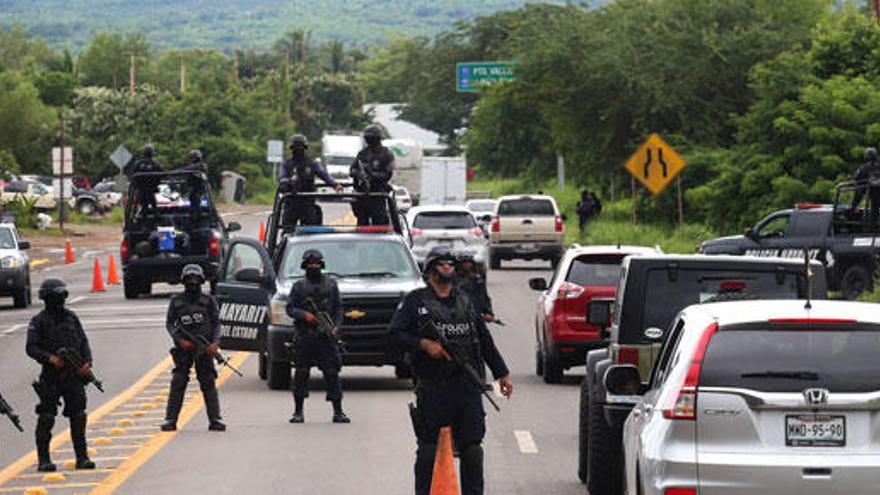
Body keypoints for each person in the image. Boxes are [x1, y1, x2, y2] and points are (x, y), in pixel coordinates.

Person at [389, 246, 513, 495]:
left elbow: (483, 339)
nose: (448, 267)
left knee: (473, 450)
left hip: (467, 385)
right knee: (427, 449)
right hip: (433, 385)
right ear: (431, 269)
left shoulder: (466, 299)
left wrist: (502, 373)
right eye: (442, 263)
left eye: (451, 264)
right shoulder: (416, 301)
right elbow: (394, 334)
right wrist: (424, 344)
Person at [26, 278, 95, 472]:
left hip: (74, 375)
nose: (60, 300)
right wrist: (50, 358)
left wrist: (87, 363)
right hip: (51, 376)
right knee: (47, 416)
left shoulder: (72, 318)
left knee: (79, 416)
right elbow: (31, 348)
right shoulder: (38, 321)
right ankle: (43, 459)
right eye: (56, 296)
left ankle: (82, 458)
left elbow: (83, 342)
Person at [286, 249, 350, 424]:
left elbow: (338, 307)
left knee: (332, 373)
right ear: (305, 266)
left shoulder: (331, 284)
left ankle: (338, 411)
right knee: (301, 373)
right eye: (310, 264)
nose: (313, 267)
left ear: (321, 265)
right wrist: (304, 316)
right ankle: (298, 412)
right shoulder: (298, 286)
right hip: (305, 336)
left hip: (326, 338)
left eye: (316, 264)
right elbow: (290, 308)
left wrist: (336, 326)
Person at [161, 264, 226, 432]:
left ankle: (215, 418)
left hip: (204, 349)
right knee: (179, 381)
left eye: (196, 279)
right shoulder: (176, 302)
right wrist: (179, 340)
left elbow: (216, 323)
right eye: (189, 279)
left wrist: (215, 343)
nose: (192, 283)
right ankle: (170, 419)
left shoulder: (208, 301)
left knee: (208, 382)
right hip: (184, 349)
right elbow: (170, 324)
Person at [278, 135, 343, 228]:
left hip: (307, 202)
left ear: (304, 148)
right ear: (292, 148)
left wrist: (335, 185)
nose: (298, 150)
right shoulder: (286, 163)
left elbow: (324, 174)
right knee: (287, 230)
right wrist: (287, 182)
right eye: (296, 148)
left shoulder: (311, 163)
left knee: (310, 230)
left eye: (300, 147)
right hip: (291, 201)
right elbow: (282, 177)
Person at [350, 125, 395, 226]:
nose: (369, 140)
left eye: (372, 138)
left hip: (378, 194)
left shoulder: (387, 154)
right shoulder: (363, 153)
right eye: (368, 138)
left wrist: (371, 174)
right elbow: (352, 169)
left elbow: (387, 175)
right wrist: (359, 174)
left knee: (379, 223)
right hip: (362, 195)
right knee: (362, 223)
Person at [454, 251, 495, 323]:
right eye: (464, 262)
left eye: (468, 262)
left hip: (475, 315)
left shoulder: (477, 279)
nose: (466, 265)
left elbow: (483, 296)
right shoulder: (451, 280)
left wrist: (488, 312)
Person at [131, 144, 164, 214]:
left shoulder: (138, 163)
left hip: (141, 188)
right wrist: (156, 184)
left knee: (143, 204)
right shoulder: (155, 163)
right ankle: (155, 213)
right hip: (150, 188)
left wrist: (137, 185)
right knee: (152, 202)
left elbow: (133, 174)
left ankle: (144, 214)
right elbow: (161, 174)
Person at [853, 146, 880, 229]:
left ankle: (872, 224)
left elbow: (857, 180)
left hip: (872, 194)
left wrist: (854, 206)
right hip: (875, 196)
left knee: (860, 190)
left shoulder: (864, 168)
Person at [180, 149, 208, 222]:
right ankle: (194, 216)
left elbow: (186, 169)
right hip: (196, 189)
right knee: (193, 201)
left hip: (198, 190)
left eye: (192, 157)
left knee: (195, 203)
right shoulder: (198, 166)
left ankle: (196, 218)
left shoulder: (199, 166)